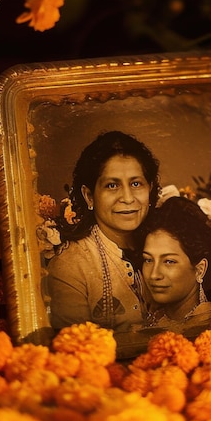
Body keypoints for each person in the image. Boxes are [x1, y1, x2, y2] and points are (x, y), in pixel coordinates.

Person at [46, 131, 160, 331]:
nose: (127, 197)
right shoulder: (71, 265)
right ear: (89, 196)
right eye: (112, 185)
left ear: (149, 189)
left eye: (136, 184)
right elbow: (74, 348)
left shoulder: (166, 243)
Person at [139, 195, 211, 337]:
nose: (154, 274)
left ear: (199, 269)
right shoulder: (147, 326)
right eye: (148, 260)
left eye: (169, 261)